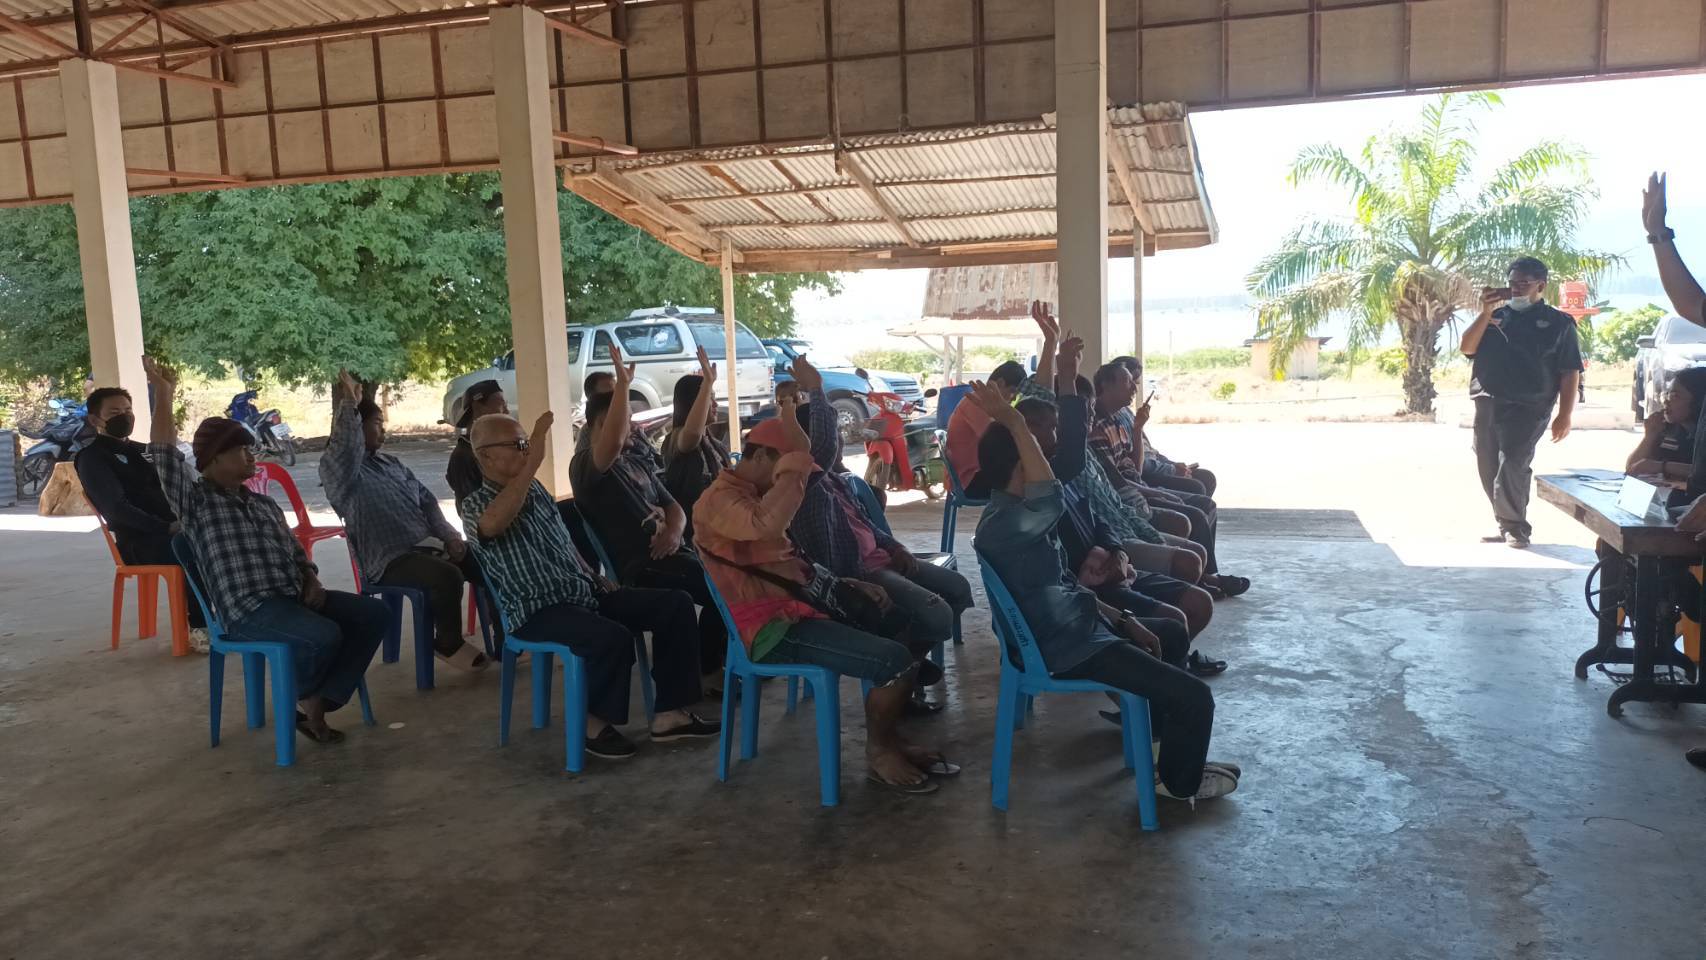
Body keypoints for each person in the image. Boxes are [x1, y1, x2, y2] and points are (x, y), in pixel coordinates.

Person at [969, 380, 1238, 804]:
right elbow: (1052, 498)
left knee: (1170, 633)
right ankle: (1178, 785)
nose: (1046, 457)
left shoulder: (1018, 518)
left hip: (1076, 628)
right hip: (1067, 648)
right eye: (1035, 451)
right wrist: (1016, 423)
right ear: (1021, 464)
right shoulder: (1009, 524)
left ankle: (1160, 752)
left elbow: (1065, 585)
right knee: (1196, 698)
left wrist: (1124, 619)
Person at [694, 396, 954, 794]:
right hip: (771, 631)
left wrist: (844, 583)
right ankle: (880, 754)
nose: (791, 485)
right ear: (760, 457)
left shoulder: (754, 493)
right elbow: (765, 526)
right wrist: (796, 462)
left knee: (907, 627)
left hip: (799, 609)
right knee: (894, 661)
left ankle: (893, 739)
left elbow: (789, 561)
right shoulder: (719, 501)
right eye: (784, 473)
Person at [141, 356, 385, 745]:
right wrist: (164, 394)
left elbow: (296, 553)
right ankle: (310, 704)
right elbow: (163, 454)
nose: (251, 456)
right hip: (249, 610)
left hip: (294, 597)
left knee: (374, 614)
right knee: (323, 636)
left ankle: (318, 699)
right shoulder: (195, 503)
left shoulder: (263, 504)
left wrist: (311, 579)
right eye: (241, 450)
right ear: (214, 459)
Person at [463, 410, 719, 758]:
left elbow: (563, 543)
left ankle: (669, 714)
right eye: (519, 445)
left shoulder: (534, 490)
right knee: (611, 637)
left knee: (675, 604)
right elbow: (493, 525)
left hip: (582, 592)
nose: (528, 451)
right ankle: (591, 723)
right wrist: (532, 463)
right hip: (538, 610)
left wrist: (593, 575)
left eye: (528, 444)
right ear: (485, 456)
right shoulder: (475, 504)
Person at [785, 355, 973, 704]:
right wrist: (815, 388)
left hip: (882, 558)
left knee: (958, 589)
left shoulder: (836, 481)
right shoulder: (800, 485)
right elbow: (821, 449)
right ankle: (900, 677)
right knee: (937, 613)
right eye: (832, 435)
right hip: (858, 573)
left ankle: (906, 663)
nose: (839, 442)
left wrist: (895, 547)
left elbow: (868, 524)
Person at [1016, 395, 1224, 676]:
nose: (1059, 435)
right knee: (1175, 619)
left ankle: (1168, 668)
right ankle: (1160, 679)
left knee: (1200, 603)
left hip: (1111, 565)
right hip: (1091, 587)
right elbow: (1057, 579)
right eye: (1052, 428)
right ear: (1027, 432)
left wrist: (1117, 551)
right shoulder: (1032, 493)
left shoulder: (1059, 473)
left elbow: (1099, 520)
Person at [571, 345, 727, 682]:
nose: (634, 429)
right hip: (641, 566)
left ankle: (711, 661)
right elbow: (612, 443)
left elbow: (674, 506)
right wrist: (623, 387)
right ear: (603, 424)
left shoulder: (635, 462)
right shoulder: (586, 466)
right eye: (626, 422)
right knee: (721, 583)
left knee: (730, 576)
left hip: (672, 552)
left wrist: (673, 530)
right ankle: (709, 669)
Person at [320, 370, 489, 671]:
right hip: (389, 560)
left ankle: (510, 634)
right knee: (446, 575)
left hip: (428, 545)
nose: (383, 430)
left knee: (486, 560)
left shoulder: (391, 463)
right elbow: (343, 446)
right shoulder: (341, 473)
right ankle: (448, 642)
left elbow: (429, 504)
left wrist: (450, 536)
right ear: (358, 426)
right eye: (377, 423)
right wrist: (350, 404)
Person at [1088, 361, 1250, 597]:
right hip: (1130, 496)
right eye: (1128, 381)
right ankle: (1204, 578)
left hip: (1138, 487)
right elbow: (1116, 481)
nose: (1134, 387)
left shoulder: (1118, 420)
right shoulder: (1097, 427)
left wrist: (1137, 429)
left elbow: (1136, 468)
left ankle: (1206, 576)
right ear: (1106, 386)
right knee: (1194, 513)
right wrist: (1157, 491)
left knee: (1202, 498)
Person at [1459, 256, 1583, 549]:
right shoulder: (1496, 317)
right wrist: (1485, 313)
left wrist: (1564, 414)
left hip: (1530, 404)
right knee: (1488, 463)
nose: (1516, 288)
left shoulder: (1559, 323)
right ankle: (1505, 523)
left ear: (1541, 285)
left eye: (1524, 283)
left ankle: (1516, 527)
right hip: (1488, 400)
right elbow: (1467, 347)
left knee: (1513, 462)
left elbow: (1570, 371)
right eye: (1512, 282)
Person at [75, 385, 208, 638]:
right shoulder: (92, 458)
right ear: (95, 420)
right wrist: (165, 527)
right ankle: (201, 626)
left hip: (174, 530)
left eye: (128, 410)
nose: (124, 416)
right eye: (114, 412)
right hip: (139, 542)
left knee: (221, 540)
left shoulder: (144, 450)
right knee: (190, 549)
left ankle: (233, 616)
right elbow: (116, 509)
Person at [944, 301, 1058, 499]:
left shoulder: (985, 402)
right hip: (969, 479)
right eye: (1012, 392)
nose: (1012, 398)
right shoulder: (977, 401)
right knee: (1033, 474)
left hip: (980, 470)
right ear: (1000, 383)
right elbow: (1000, 441)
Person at [1110, 356, 1218, 498]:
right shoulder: (1112, 420)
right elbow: (1138, 465)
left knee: (1207, 477)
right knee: (1197, 487)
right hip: (1146, 474)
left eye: (1136, 383)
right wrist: (1172, 469)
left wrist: (1173, 465)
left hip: (1155, 465)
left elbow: (1150, 452)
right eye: (1130, 382)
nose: (1135, 389)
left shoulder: (1126, 412)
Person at [662, 347, 731, 537]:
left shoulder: (714, 443)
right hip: (696, 534)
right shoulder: (676, 438)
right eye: (709, 398)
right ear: (693, 404)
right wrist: (707, 382)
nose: (715, 404)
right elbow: (692, 434)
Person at [446, 379, 508, 507]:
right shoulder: (463, 457)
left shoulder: (495, 447)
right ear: (477, 407)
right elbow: (475, 511)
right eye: (502, 406)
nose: (507, 412)